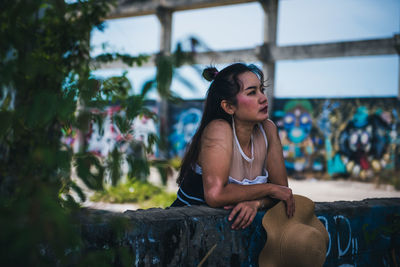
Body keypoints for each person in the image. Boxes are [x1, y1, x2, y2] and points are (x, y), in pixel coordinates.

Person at [170, 63, 295, 230]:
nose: (263, 98)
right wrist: (269, 188)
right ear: (228, 106)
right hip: (184, 233)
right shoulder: (218, 129)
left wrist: (256, 203)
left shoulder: (268, 129)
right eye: (251, 92)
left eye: (261, 90)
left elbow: (283, 192)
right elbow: (215, 195)